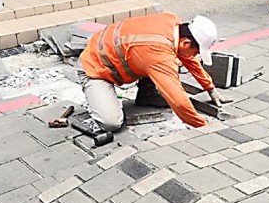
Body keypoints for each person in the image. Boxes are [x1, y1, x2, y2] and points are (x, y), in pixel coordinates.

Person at [77, 11, 232, 131]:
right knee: (111, 123)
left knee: (169, 60)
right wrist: (204, 127)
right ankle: (97, 99)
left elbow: (188, 59)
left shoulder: (172, 23)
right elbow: (178, 102)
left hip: (118, 53)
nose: (195, 56)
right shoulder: (158, 54)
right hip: (95, 68)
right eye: (197, 52)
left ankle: (147, 95)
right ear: (186, 43)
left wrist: (210, 89)